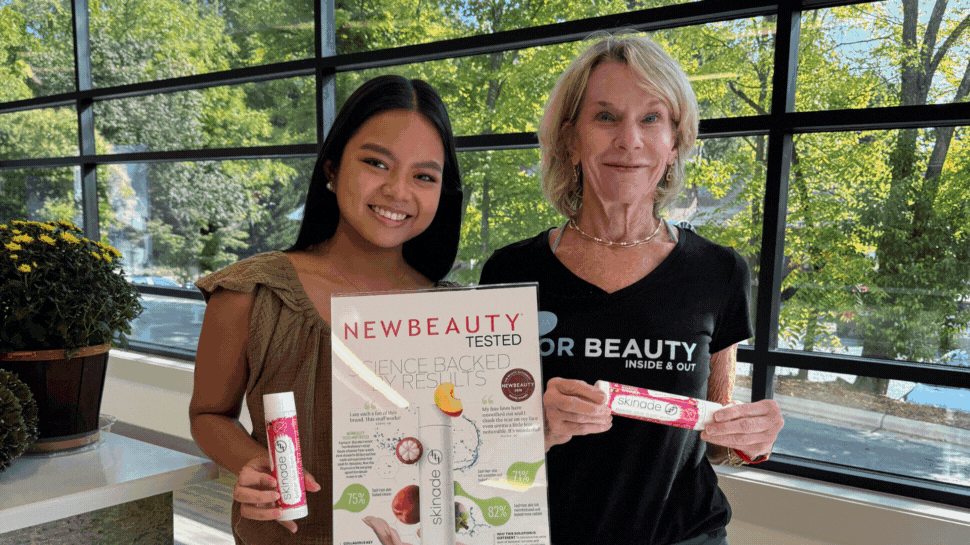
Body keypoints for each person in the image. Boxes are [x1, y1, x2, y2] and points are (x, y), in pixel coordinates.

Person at [479, 35, 784, 545]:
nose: (630, 139)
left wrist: (751, 438)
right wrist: (540, 427)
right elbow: (483, 440)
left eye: (651, 118)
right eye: (605, 117)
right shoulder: (511, 271)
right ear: (571, 137)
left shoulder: (719, 272)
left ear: (674, 141)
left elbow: (714, 440)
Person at [189, 74, 463, 545]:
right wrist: (250, 461)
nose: (399, 191)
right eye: (377, 163)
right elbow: (208, 414)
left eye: (424, 176)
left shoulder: (455, 313)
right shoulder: (251, 292)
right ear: (332, 169)